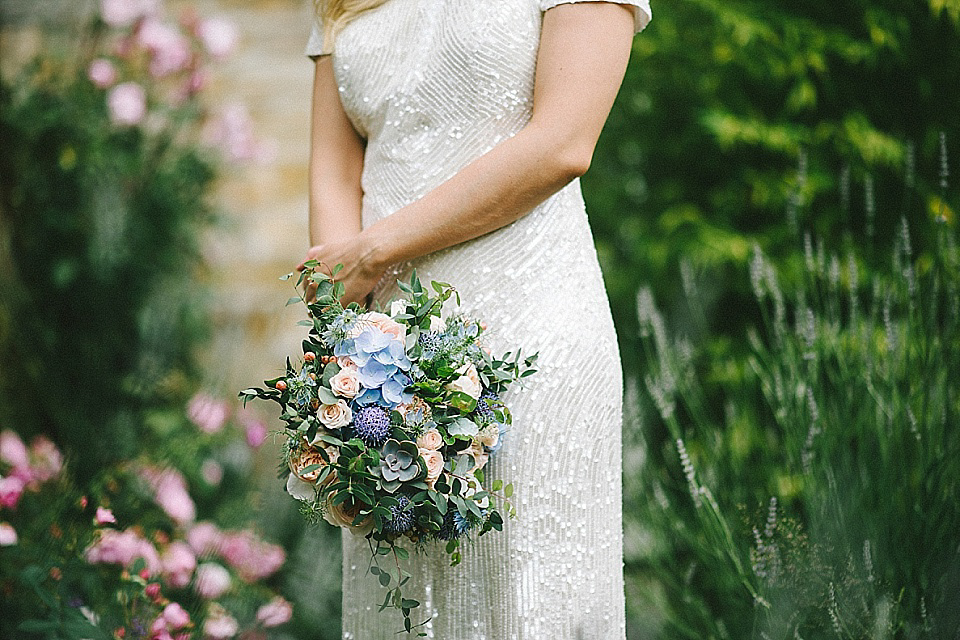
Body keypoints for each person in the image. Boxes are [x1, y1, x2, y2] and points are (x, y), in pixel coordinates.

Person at [298, 1, 651, 638]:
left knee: (528, 598)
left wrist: (374, 251)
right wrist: (341, 347)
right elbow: (334, 170)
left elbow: (563, 144)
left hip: (531, 329)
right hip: (386, 361)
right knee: (408, 612)